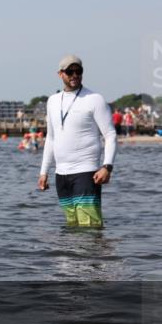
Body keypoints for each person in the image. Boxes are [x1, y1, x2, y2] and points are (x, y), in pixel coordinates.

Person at [38, 55, 116, 228]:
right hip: (61, 175)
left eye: (78, 71)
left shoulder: (94, 99)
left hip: (86, 172)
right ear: (60, 74)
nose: (74, 75)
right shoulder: (52, 101)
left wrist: (107, 166)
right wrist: (44, 172)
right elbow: (51, 138)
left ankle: (93, 255)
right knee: (72, 227)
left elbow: (110, 134)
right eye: (69, 71)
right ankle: (73, 256)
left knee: (89, 227)